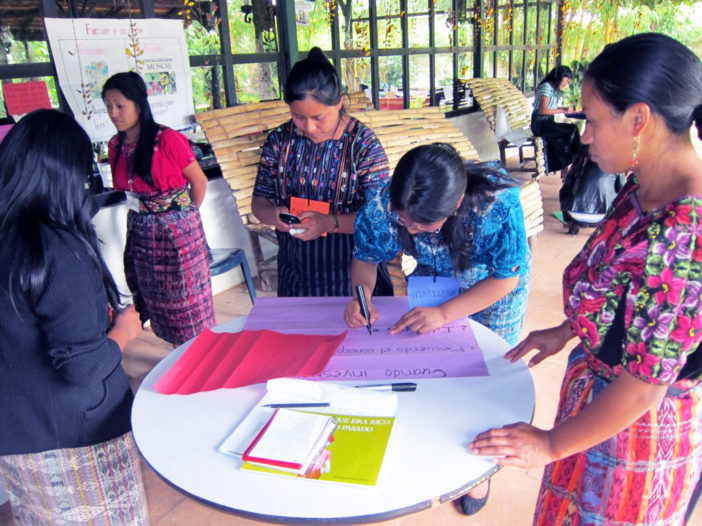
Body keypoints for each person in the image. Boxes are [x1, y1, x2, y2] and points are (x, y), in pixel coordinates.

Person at [470, 33, 702, 525]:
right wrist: (569, 329)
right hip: (596, 407)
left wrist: (550, 444)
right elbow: (622, 289)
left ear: (638, 119)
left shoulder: (685, 231)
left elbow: (644, 386)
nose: (586, 137)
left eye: (593, 121)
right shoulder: (644, 186)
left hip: (632, 430)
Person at [345, 143, 531, 514]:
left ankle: (479, 471)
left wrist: (444, 313)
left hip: (495, 284)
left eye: (424, 224)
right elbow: (365, 258)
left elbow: (506, 277)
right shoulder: (382, 204)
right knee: (436, 366)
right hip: (438, 279)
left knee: (489, 372)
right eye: (405, 221)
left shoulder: (497, 203)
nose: (412, 229)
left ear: (457, 202)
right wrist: (361, 297)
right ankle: (439, 443)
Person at [0, 109, 148, 524]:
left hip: (16, 432)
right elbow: (83, 368)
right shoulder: (57, 250)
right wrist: (123, 331)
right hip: (76, 437)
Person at [252, 47, 392, 297]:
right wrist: (274, 215)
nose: (308, 127)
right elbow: (259, 203)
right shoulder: (280, 141)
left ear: (339, 103)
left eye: (318, 117)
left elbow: (379, 220)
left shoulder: (363, 146)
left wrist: (330, 222)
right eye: (298, 117)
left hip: (354, 277)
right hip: (296, 275)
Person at [102, 72, 215, 346]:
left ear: (139, 105)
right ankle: (176, 352)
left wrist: (185, 218)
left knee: (185, 301)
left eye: (120, 106)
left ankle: (198, 354)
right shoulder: (115, 145)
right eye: (108, 106)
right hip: (141, 231)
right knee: (153, 294)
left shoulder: (167, 139)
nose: (113, 113)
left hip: (178, 233)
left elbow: (199, 181)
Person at [531, 65, 581, 174]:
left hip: (548, 122)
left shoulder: (553, 89)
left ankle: (567, 165)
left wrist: (564, 108)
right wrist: (562, 110)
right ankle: (576, 161)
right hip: (540, 123)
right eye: (566, 81)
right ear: (560, 77)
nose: (566, 84)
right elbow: (543, 110)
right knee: (572, 130)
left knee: (566, 137)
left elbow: (550, 108)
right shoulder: (546, 87)